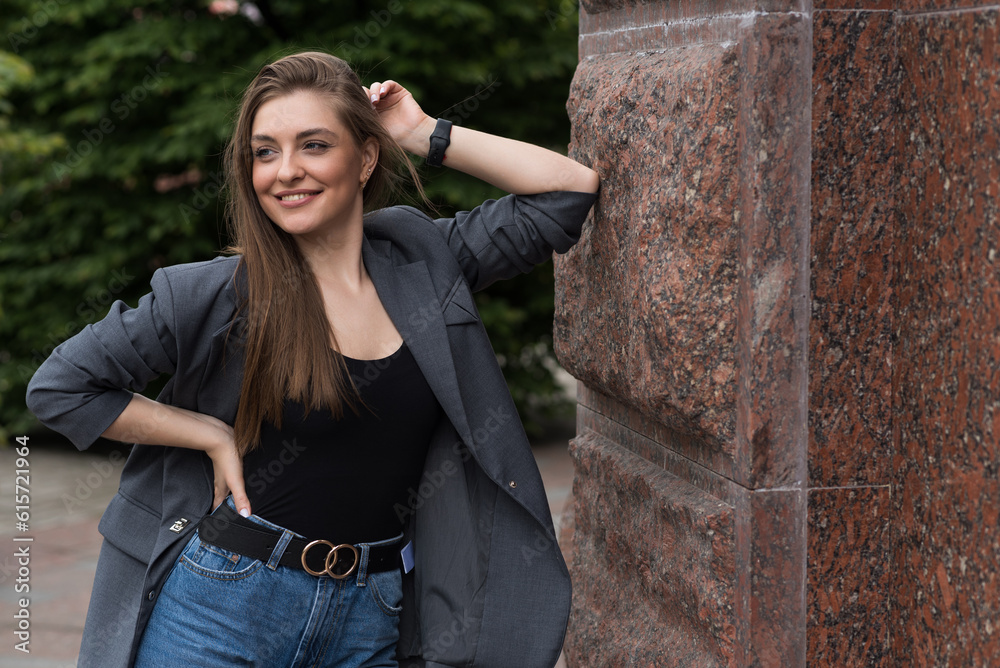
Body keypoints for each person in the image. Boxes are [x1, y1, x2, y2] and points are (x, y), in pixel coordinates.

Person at [26, 51, 598, 667]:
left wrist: (421, 132)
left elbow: (568, 192)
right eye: (264, 152)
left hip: (371, 616)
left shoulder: (426, 262)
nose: (286, 171)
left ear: (366, 157)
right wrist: (207, 434)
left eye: (314, 145)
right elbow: (60, 387)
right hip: (221, 607)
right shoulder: (220, 293)